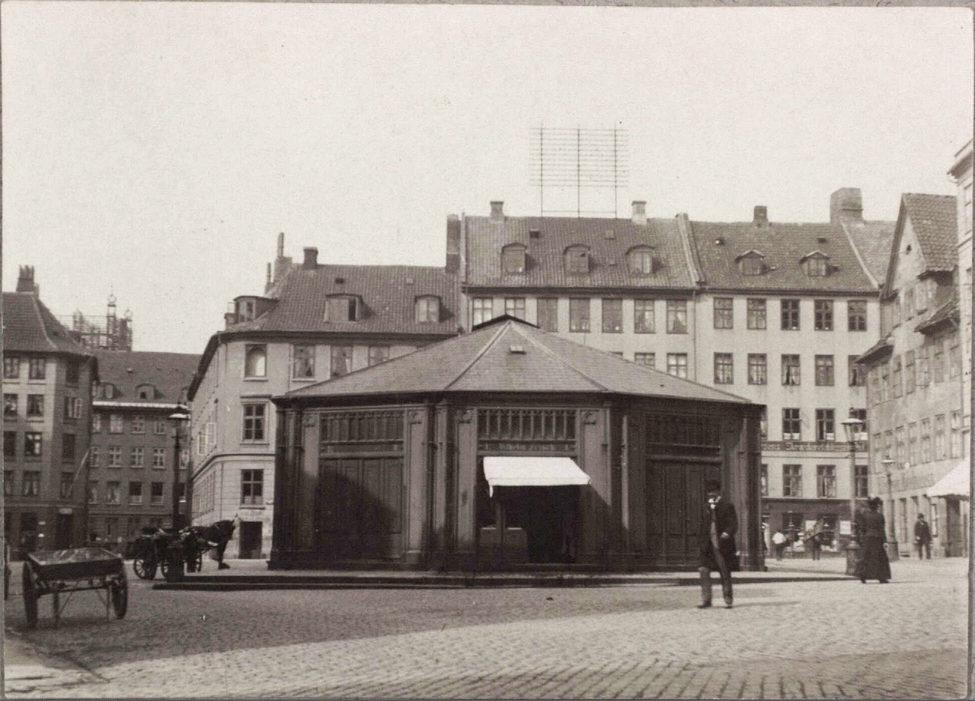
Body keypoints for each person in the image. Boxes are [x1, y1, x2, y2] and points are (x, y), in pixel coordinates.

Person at [697, 479, 739, 609]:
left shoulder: (727, 505)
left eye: (713, 492)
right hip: (707, 545)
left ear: (718, 492)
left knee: (724, 571)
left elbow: (733, 523)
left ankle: (728, 598)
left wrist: (727, 532)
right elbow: (702, 525)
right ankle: (706, 600)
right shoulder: (705, 507)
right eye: (709, 493)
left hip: (722, 544)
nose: (711, 495)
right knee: (703, 571)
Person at [854, 497, 891, 583]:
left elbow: (862, 528)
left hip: (868, 539)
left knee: (866, 557)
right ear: (876, 506)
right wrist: (885, 541)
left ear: (869, 506)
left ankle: (863, 576)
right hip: (877, 539)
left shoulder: (865, 515)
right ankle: (881, 577)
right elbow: (882, 529)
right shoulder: (880, 516)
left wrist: (863, 537)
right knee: (880, 558)